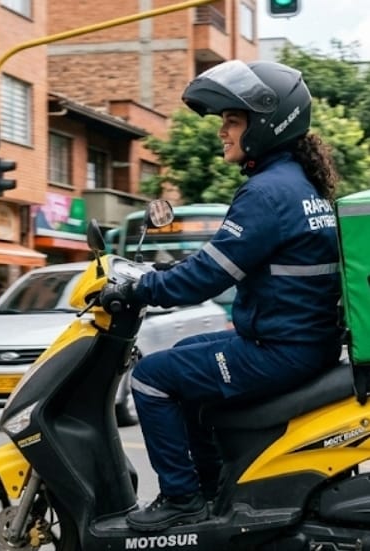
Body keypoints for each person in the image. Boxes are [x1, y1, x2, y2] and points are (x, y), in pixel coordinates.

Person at [102, 60, 342, 532]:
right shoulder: (299, 184)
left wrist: (140, 288)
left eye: (232, 120)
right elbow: (223, 259)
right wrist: (159, 273)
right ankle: (213, 486)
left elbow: (207, 278)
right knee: (187, 352)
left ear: (268, 123)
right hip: (301, 342)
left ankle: (182, 498)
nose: (222, 131)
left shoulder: (266, 193)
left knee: (151, 378)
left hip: (282, 349)